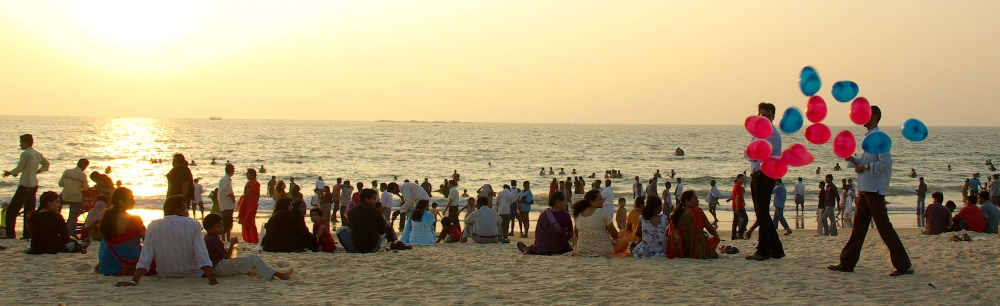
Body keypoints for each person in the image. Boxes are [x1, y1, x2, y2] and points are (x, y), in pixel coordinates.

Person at [829, 105, 913, 276]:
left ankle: (903, 265)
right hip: (865, 188)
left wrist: (865, 166)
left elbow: (885, 163)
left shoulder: (879, 137)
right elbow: (864, 161)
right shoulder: (869, 137)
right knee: (858, 228)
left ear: (874, 117)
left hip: (874, 190)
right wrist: (853, 159)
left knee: (884, 228)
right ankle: (846, 263)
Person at [117, 195, 217, 287]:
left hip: (165, 274)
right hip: (192, 273)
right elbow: (201, 254)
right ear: (177, 211)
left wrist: (134, 281)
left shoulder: (153, 226)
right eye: (186, 208)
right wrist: (213, 280)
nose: (188, 212)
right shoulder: (193, 224)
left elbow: (146, 256)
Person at [744, 102, 784, 261]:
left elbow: (757, 154)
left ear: (773, 117)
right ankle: (776, 248)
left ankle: (763, 250)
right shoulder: (758, 132)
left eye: (769, 116)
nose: (766, 118)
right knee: (762, 213)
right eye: (763, 116)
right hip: (757, 173)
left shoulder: (771, 134)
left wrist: (750, 153)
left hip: (765, 174)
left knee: (762, 213)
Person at [203, 213, 293, 281]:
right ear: (210, 229)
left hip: (216, 268)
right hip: (220, 267)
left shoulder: (209, 238)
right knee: (254, 259)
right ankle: (279, 275)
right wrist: (232, 244)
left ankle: (270, 275)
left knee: (246, 263)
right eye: (219, 226)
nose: (222, 228)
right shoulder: (213, 239)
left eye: (222, 225)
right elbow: (227, 256)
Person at [3, 134, 50, 239]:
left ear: (25, 142)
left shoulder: (26, 154)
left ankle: (10, 234)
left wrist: (10, 173)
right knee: (29, 210)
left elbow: (19, 168)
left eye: (21, 142)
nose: (20, 144)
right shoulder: (37, 154)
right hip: (34, 184)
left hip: (25, 185)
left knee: (12, 210)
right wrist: (37, 171)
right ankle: (27, 234)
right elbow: (46, 164)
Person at [95, 188, 145, 275]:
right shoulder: (135, 220)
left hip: (107, 265)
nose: (134, 202)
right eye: (131, 199)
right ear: (121, 201)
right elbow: (147, 240)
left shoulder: (106, 216)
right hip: (126, 264)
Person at [666, 190, 721, 259]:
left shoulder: (676, 214)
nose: (698, 201)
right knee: (713, 243)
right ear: (687, 201)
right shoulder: (697, 211)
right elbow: (709, 227)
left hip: (681, 250)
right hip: (696, 249)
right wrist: (717, 237)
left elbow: (668, 232)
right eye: (695, 199)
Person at [570, 190, 619, 258]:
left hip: (582, 250)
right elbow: (614, 235)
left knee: (575, 241)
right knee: (624, 241)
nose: (603, 201)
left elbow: (577, 234)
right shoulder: (601, 212)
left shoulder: (578, 214)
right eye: (600, 199)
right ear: (592, 202)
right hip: (602, 251)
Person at [59, 159, 90, 236]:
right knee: (72, 217)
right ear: (85, 166)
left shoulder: (67, 171)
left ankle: (58, 226)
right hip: (76, 198)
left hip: (65, 196)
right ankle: (71, 234)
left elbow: (60, 184)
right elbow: (85, 189)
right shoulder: (82, 175)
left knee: (57, 206)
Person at [237, 169, 261, 244]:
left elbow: (247, 194)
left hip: (248, 204)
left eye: (248, 174)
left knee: (246, 222)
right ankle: (254, 238)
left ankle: (249, 238)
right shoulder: (257, 183)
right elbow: (257, 196)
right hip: (254, 204)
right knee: (251, 222)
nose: (247, 175)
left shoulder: (249, 183)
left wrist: (242, 198)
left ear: (251, 175)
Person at [218, 164, 236, 242]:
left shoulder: (228, 179)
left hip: (228, 204)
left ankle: (228, 238)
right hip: (226, 205)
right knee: (225, 223)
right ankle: (224, 238)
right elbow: (222, 191)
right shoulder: (225, 179)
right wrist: (230, 195)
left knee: (229, 223)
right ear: (231, 171)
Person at [729, 174, 748, 240]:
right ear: (738, 179)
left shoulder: (737, 186)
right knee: (745, 219)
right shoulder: (738, 186)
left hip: (738, 206)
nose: (743, 180)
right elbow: (737, 197)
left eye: (743, 178)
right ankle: (740, 233)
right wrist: (737, 207)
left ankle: (734, 235)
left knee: (736, 220)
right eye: (742, 178)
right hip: (739, 206)